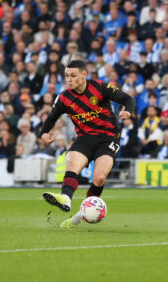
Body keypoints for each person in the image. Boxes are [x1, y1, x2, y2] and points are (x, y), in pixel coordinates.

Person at [38, 60, 135, 228]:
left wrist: (128, 111)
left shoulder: (99, 87)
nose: (69, 79)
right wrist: (44, 134)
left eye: (73, 75)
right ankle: (65, 199)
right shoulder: (64, 97)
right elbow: (51, 118)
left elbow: (127, 98)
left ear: (84, 75)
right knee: (72, 163)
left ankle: (77, 218)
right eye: (67, 76)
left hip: (108, 137)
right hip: (84, 138)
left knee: (99, 177)